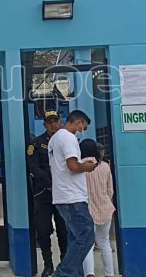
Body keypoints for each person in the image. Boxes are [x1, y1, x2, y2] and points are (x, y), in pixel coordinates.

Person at [48, 110, 98, 277]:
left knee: (75, 239)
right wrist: (87, 166)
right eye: (83, 125)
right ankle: (62, 273)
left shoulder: (54, 139)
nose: (83, 129)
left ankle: (73, 274)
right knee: (87, 234)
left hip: (62, 196)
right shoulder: (69, 138)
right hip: (73, 197)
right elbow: (73, 166)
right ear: (77, 121)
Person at [27, 111, 69, 277]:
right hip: (43, 193)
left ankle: (65, 265)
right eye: (49, 121)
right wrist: (50, 183)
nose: (53, 124)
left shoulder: (67, 141)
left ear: (60, 122)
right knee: (43, 230)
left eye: (55, 120)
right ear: (44, 124)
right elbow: (34, 167)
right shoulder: (36, 144)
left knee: (64, 230)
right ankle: (48, 265)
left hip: (63, 192)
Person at [80, 139, 116, 277]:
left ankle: (90, 273)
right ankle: (109, 274)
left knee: (88, 244)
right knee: (104, 242)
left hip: (87, 210)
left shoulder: (80, 167)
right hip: (105, 208)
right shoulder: (105, 166)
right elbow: (110, 191)